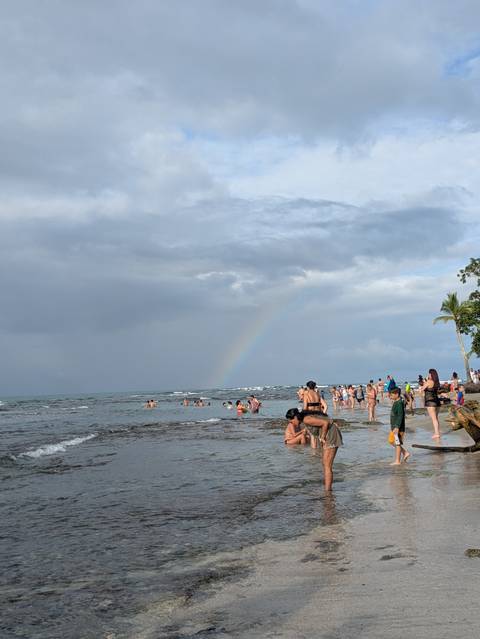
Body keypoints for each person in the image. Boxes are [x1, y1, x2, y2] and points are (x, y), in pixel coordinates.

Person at [285, 408, 343, 491]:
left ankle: (328, 491)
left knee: (327, 466)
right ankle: (327, 488)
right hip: (330, 432)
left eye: (291, 421)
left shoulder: (306, 419)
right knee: (325, 464)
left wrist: (322, 437)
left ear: (295, 417)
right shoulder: (305, 418)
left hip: (331, 434)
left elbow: (325, 423)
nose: (292, 423)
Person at [388, 387, 410, 465]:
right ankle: (405, 452)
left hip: (399, 428)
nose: (390, 396)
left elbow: (400, 416)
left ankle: (397, 461)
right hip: (394, 427)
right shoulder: (396, 402)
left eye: (391, 394)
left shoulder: (399, 403)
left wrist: (397, 427)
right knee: (391, 441)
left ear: (397, 394)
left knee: (397, 443)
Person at [419, 368, 441, 439]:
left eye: (429, 373)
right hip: (437, 401)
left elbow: (421, 390)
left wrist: (425, 381)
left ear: (431, 374)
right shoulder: (436, 382)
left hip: (430, 402)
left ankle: (437, 433)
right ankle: (437, 432)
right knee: (436, 418)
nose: (428, 375)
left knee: (434, 419)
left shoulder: (429, 381)